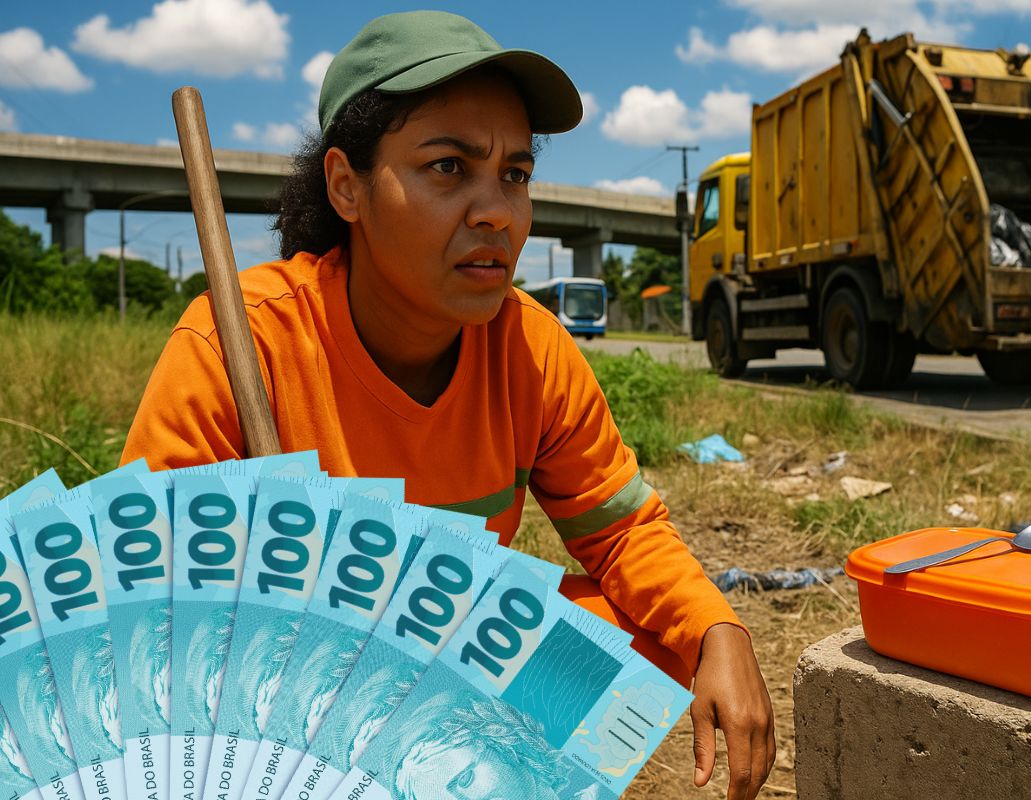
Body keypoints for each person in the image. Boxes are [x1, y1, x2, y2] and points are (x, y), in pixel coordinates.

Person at [121, 11, 774, 798]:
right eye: (447, 167)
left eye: (515, 175)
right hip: (283, 707)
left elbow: (625, 533)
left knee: (652, 635)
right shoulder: (241, 346)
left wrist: (720, 629)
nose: (496, 209)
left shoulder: (531, 350)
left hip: (451, 684)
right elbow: (151, 602)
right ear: (346, 187)